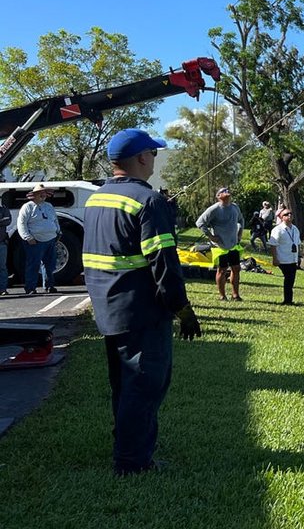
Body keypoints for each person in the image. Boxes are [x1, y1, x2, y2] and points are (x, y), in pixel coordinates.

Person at [82, 128, 201, 475]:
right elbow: (164, 265)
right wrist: (183, 309)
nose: (155, 159)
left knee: (124, 385)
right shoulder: (148, 202)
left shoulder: (97, 198)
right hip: (142, 312)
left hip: (109, 310)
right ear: (141, 158)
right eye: (154, 153)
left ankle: (128, 448)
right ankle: (132, 463)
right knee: (145, 385)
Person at [195, 186, 244, 301]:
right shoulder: (214, 209)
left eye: (227, 190)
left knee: (236, 268)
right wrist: (211, 236)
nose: (227, 192)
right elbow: (200, 223)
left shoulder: (235, 207)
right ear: (218, 196)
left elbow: (241, 220)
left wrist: (240, 232)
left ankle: (235, 295)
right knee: (222, 270)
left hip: (233, 245)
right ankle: (222, 296)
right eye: (223, 191)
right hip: (220, 246)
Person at [17, 183, 61, 294]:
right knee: (33, 264)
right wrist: (27, 237)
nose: (43, 195)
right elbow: (21, 223)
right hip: (35, 240)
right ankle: (30, 288)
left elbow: (55, 220)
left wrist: (58, 231)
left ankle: (49, 286)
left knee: (50, 265)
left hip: (51, 239)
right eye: (40, 193)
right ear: (34, 194)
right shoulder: (27, 207)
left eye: (44, 193)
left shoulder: (49, 206)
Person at [269, 207, 301, 305]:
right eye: (286, 214)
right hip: (283, 259)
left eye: (290, 214)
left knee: (291, 280)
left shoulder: (295, 229)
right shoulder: (277, 229)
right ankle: (287, 300)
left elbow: (297, 243)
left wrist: (298, 256)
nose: (289, 216)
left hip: (293, 259)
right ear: (281, 217)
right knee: (288, 278)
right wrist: (275, 258)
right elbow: (273, 244)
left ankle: (289, 300)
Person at [0, 199, 10, 296]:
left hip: (1, 243)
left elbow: (7, 220)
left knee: (2, 267)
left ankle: (3, 289)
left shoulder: (4, 210)